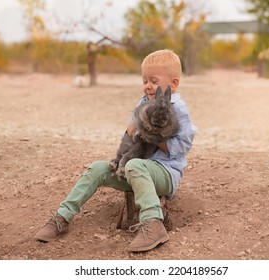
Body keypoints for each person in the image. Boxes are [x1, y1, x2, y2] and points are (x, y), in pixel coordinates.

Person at [34, 49, 196, 252]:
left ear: (173, 84)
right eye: (145, 80)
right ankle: (62, 216)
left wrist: (154, 137)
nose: (147, 86)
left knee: (135, 164)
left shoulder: (178, 108)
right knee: (99, 168)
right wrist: (132, 130)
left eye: (154, 81)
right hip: (136, 167)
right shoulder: (144, 102)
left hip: (165, 172)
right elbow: (131, 132)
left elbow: (183, 146)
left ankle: (153, 223)